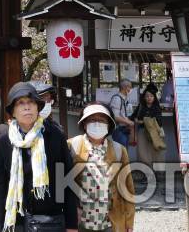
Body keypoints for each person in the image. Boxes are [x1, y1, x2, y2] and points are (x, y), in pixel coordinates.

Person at [0, 82, 77, 232]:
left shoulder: (55, 136)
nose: (27, 107)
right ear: (13, 111)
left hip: (49, 220)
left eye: (31, 102)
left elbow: (67, 180)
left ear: (38, 107)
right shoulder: (5, 140)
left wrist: (71, 224)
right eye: (20, 103)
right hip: (15, 220)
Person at [68, 104, 135, 232]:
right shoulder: (72, 146)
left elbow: (127, 188)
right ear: (84, 123)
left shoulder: (119, 150)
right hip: (80, 223)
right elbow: (63, 185)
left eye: (102, 120)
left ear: (109, 125)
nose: (97, 124)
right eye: (92, 120)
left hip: (110, 222)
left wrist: (129, 222)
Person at [133, 84, 166, 172]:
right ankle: (146, 173)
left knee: (156, 153)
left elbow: (159, 121)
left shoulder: (156, 107)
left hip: (154, 133)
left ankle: (158, 173)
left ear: (154, 97)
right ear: (144, 97)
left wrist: (143, 121)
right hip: (142, 132)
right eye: (147, 96)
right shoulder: (141, 106)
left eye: (151, 96)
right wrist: (136, 120)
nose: (149, 98)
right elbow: (133, 117)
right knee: (143, 153)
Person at [108, 80, 134, 148]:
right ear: (125, 87)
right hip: (119, 130)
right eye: (130, 87)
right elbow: (115, 116)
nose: (131, 90)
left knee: (124, 152)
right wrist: (128, 122)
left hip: (125, 129)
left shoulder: (125, 99)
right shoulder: (117, 99)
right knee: (120, 152)